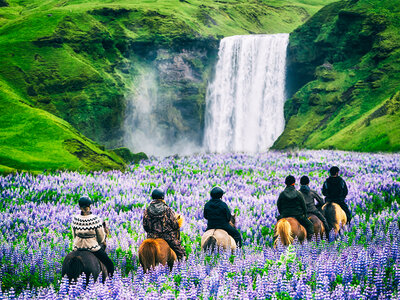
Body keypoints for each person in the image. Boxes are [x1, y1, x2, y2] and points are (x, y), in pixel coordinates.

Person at [71, 196, 114, 276]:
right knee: (110, 264)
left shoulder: (75, 219)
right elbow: (101, 238)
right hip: (92, 248)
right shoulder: (95, 220)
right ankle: (110, 283)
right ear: (89, 207)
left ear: (80, 207)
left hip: (77, 247)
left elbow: (74, 235)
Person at [143, 188, 186, 260]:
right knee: (181, 252)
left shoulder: (147, 210)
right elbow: (175, 225)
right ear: (162, 197)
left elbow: (145, 226)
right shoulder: (167, 209)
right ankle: (182, 263)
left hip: (152, 236)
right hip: (167, 237)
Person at [277, 175, 314, 240]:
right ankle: (309, 241)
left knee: (277, 227)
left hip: (285, 215)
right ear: (294, 183)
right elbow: (304, 206)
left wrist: (282, 214)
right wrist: (305, 215)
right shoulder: (298, 193)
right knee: (310, 225)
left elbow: (279, 205)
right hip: (298, 215)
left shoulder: (282, 194)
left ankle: (275, 241)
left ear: (286, 183)